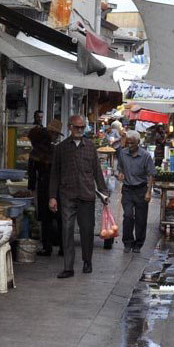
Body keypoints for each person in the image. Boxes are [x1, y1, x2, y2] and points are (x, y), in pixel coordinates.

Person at [49, 115, 109, 278]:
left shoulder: (90, 146)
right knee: (67, 230)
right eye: (77, 127)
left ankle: (87, 261)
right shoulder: (61, 148)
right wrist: (52, 196)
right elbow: (54, 173)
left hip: (86, 194)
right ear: (70, 127)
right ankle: (68, 267)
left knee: (87, 230)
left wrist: (104, 192)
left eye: (82, 127)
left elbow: (97, 171)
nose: (80, 130)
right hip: (67, 194)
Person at [27, 118, 61, 256]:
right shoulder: (56, 151)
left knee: (47, 219)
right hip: (56, 187)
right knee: (59, 217)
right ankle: (62, 247)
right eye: (55, 134)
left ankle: (48, 247)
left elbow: (31, 174)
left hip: (44, 186)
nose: (56, 136)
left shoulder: (36, 152)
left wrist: (31, 188)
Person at [116, 131, 154, 253]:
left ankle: (138, 244)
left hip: (141, 189)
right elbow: (120, 168)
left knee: (141, 218)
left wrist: (149, 192)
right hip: (127, 189)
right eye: (128, 143)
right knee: (127, 215)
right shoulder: (123, 153)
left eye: (132, 143)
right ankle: (127, 242)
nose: (130, 145)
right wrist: (120, 174)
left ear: (138, 142)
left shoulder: (146, 155)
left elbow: (151, 174)